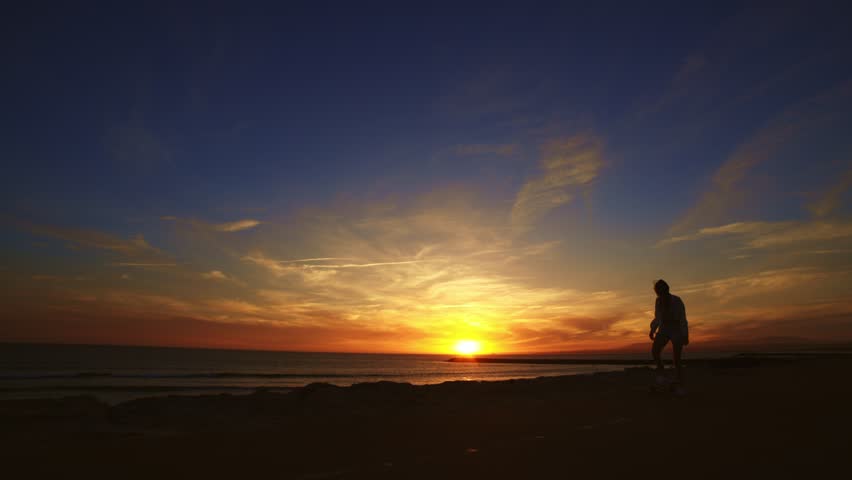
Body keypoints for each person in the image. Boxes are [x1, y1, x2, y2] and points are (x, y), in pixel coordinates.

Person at [649, 279, 689, 390]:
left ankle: (679, 383)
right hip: (664, 329)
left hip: (677, 330)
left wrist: (685, 335)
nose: (659, 294)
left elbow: (683, 319)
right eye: (657, 292)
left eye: (660, 291)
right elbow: (657, 317)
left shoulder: (677, 301)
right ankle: (662, 376)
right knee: (655, 351)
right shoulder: (658, 301)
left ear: (666, 289)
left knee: (677, 359)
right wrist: (653, 329)